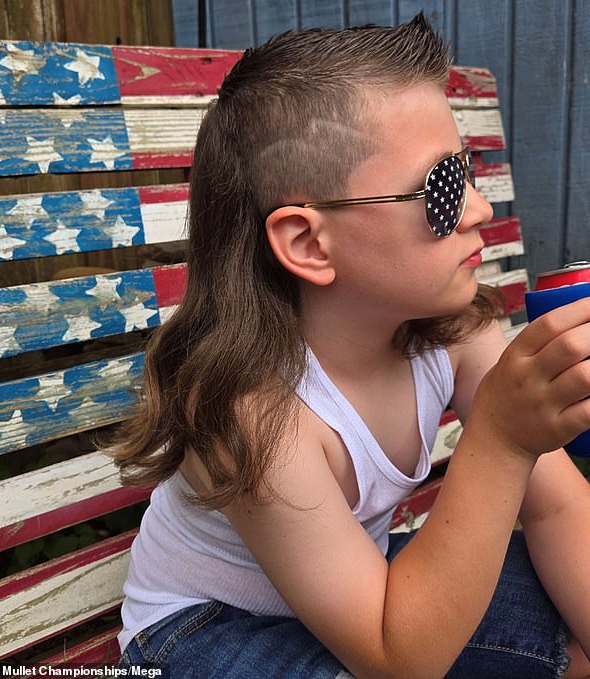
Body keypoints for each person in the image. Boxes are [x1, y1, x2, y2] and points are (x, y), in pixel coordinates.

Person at [108, 13, 590, 679]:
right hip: (203, 631)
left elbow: (561, 502)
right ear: (309, 244)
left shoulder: (453, 330)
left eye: (469, 172)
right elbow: (400, 661)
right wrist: (504, 438)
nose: (478, 209)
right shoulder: (254, 413)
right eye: (443, 190)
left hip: (362, 592)